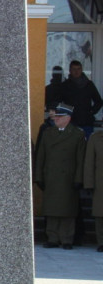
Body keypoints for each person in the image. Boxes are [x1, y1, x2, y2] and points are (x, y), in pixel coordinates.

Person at [34, 103, 85, 249]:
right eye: (55, 116)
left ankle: (66, 239)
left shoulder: (77, 134)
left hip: (68, 177)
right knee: (51, 209)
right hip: (51, 177)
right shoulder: (48, 133)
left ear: (67, 118)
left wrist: (79, 179)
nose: (55, 118)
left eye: (59, 116)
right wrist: (39, 176)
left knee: (67, 210)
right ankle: (52, 238)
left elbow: (80, 160)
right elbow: (41, 157)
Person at [60, 60, 103, 139]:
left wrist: (91, 112)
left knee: (86, 148)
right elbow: (59, 103)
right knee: (71, 148)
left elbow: (99, 101)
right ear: (70, 70)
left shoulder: (89, 85)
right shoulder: (65, 86)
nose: (76, 71)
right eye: (74, 69)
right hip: (70, 123)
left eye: (79, 69)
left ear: (81, 70)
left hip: (86, 122)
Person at [82, 128, 103, 253]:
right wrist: (89, 183)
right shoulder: (96, 138)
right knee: (100, 215)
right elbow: (89, 162)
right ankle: (101, 242)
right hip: (100, 183)